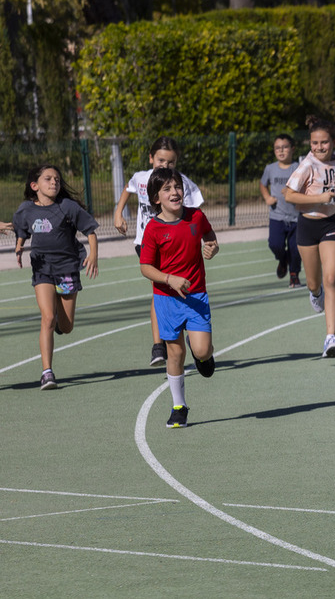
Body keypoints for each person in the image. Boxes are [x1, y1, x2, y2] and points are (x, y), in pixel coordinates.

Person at [114, 137, 205, 367]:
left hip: (173, 243)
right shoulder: (142, 178)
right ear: (151, 158)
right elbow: (128, 188)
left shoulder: (181, 183)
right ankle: (159, 345)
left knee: (172, 289)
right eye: (161, 160)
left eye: (171, 162)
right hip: (146, 241)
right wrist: (118, 212)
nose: (165, 166)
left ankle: (188, 332)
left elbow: (195, 211)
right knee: (160, 287)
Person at [139, 168, 219, 429]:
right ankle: (179, 407)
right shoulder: (152, 229)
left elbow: (209, 235)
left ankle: (203, 355)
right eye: (167, 189)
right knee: (175, 352)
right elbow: (146, 267)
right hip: (166, 298)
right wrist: (169, 279)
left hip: (196, 294)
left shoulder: (196, 216)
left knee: (202, 350)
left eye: (177, 187)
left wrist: (212, 246)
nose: (174, 192)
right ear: (155, 198)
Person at [12, 164, 99, 390]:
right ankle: (47, 372)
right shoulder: (26, 210)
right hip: (42, 269)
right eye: (48, 179)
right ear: (35, 185)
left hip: (67, 268)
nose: (54, 183)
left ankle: (61, 326)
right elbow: (21, 229)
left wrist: (93, 255)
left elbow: (90, 231)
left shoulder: (67, 207)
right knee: (48, 317)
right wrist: (20, 246)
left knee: (66, 326)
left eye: (57, 180)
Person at [282, 117, 335, 358]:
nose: (319, 147)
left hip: (330, 225)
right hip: (307, 226)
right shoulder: (307, 165)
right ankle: (315, 292)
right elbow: (289, 195)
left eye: (324, 143)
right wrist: (319, 200)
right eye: (314, 143)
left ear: (334, 142)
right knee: (314, 282)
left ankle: (330, 337)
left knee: (331, 278)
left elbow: (333, 191)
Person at [260, 133, 303, 288]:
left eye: (285, 147)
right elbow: (262, 184)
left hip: (296, 217)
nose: (281, 151)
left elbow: (306, 186)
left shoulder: (298, 168)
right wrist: (267, 198)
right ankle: (283, 259)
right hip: (277, 216)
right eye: (277, 148)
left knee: (295, 248)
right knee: (275, 244)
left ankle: (294, 275)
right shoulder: (270, 169)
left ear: (292, 149)